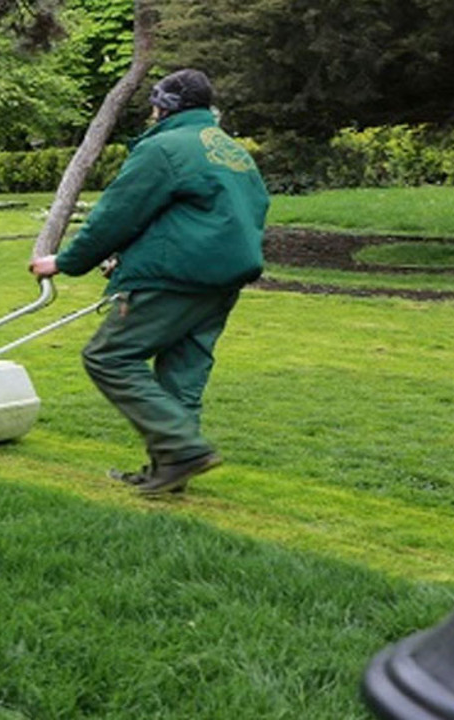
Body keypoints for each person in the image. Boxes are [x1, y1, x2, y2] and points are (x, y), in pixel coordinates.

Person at [28, 68, 270, 496]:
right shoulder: (230, 151)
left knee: (109, 357)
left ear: (165, 106)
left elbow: (117, 214)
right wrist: (129, 256)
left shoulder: (164, 148)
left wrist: (64, 262)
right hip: (222, 280)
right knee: (182, 374)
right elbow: (208, 216)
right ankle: (170, 472)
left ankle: (182, 448)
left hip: (174, 278)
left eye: (154, 104)